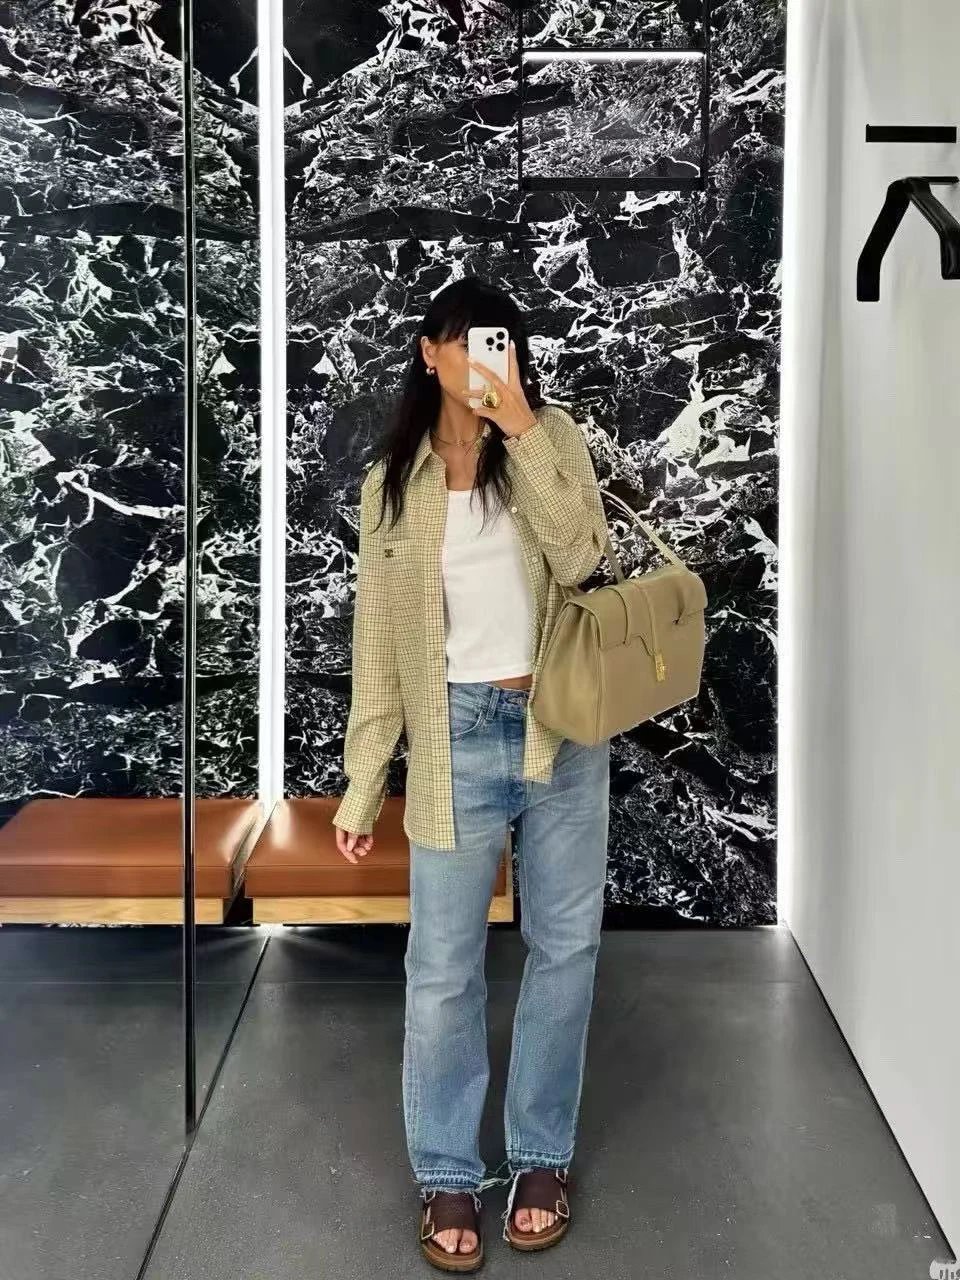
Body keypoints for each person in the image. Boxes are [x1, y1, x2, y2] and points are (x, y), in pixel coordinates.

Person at [332, 277, 611, 1272]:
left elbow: (583, 557)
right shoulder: (391, 483)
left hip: (562, 725)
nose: (484, 355)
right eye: (464, 340)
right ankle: (449, 1170)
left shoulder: (553, 436)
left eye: (500, 340)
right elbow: (378, 645)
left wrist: (521, 424)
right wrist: (365, 780)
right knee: (443, 965)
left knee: (564, 946)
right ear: (428, 353)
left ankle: (541, 1157)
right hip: (454, 734)